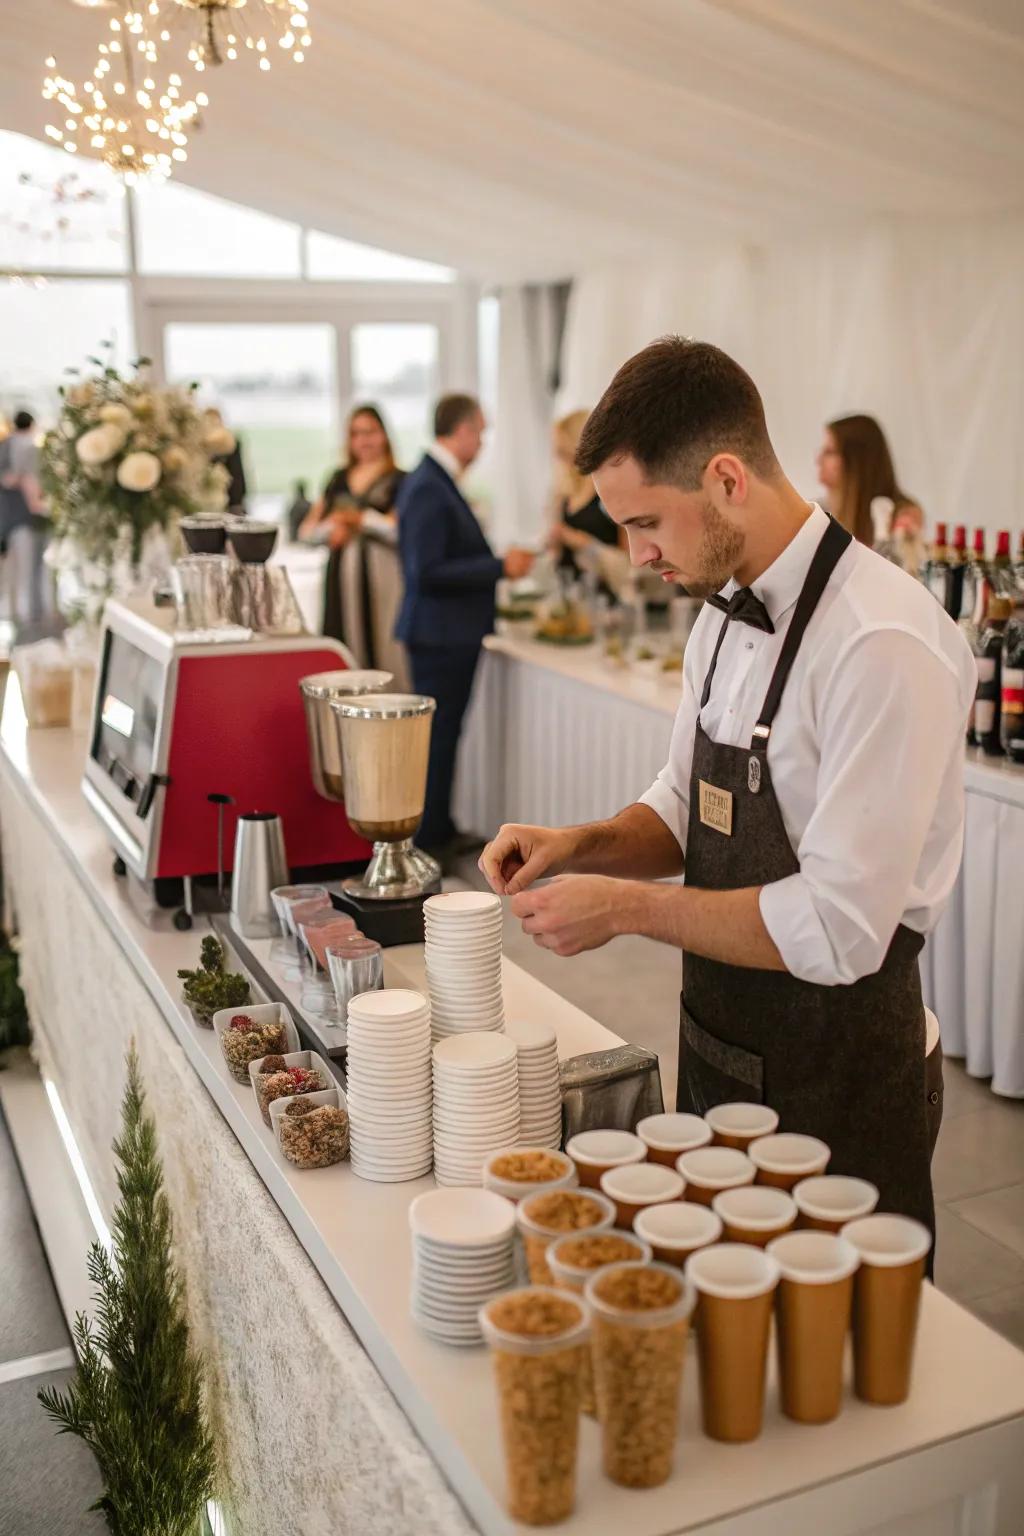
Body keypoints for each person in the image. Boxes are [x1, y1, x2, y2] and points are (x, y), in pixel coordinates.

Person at [480, 337, 975, 1250]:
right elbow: (683, 804)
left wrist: (628, 909)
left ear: (725, 480)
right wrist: (580, 844)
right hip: (717, 1051)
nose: (634, 557)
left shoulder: (882, 642)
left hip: (843, 1080)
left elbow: (837, 929)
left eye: (647, 524)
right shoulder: (718, 613)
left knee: (840, 1374)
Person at [396, 393, 534, 865]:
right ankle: (430, 837)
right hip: (440, 634)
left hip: (446, 632)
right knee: (439, 738)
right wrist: (499, 567)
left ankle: (440, 826)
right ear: (461, 431)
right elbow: (427, 570)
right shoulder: (429, 487)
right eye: (480, 430)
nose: (482, 440)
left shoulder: (435, 482)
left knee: (445, 736)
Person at [299, 404, 406, 644]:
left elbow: (400, 531)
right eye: (356, 434)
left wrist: (360, 520)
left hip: (383, 576)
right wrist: (332, 528)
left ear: (384, 435)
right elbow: (306, 532)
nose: (364, 440)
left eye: (370, 432)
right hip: (340, 575)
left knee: (382, 643)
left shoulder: (399, 480)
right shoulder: (338, 478)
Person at [547, 409, 626, 596]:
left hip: (606, 600)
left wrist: (585, 544)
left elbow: (629, 562)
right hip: (570, 596)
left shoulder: (610, 494)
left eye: (564, 453)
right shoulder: (564, 496)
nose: (561, 461)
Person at [817, 414, 924, 547]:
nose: (818, 460)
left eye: (830, 452)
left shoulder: (902, 516)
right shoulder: (819, 512)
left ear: (858, 461)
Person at [0, 410, 53, 626]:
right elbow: (9, 479)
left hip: (22, 517)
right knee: (29, 567)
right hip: (23, 517)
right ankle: (29, 616)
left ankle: (30, 614)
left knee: (29, 567)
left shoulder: (15, 445)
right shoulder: (27, 447)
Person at [202, 407, 248, 515]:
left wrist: (236, 505)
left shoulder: (231, 443)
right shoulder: (197, 446)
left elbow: (238, 477)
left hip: (227, 500)